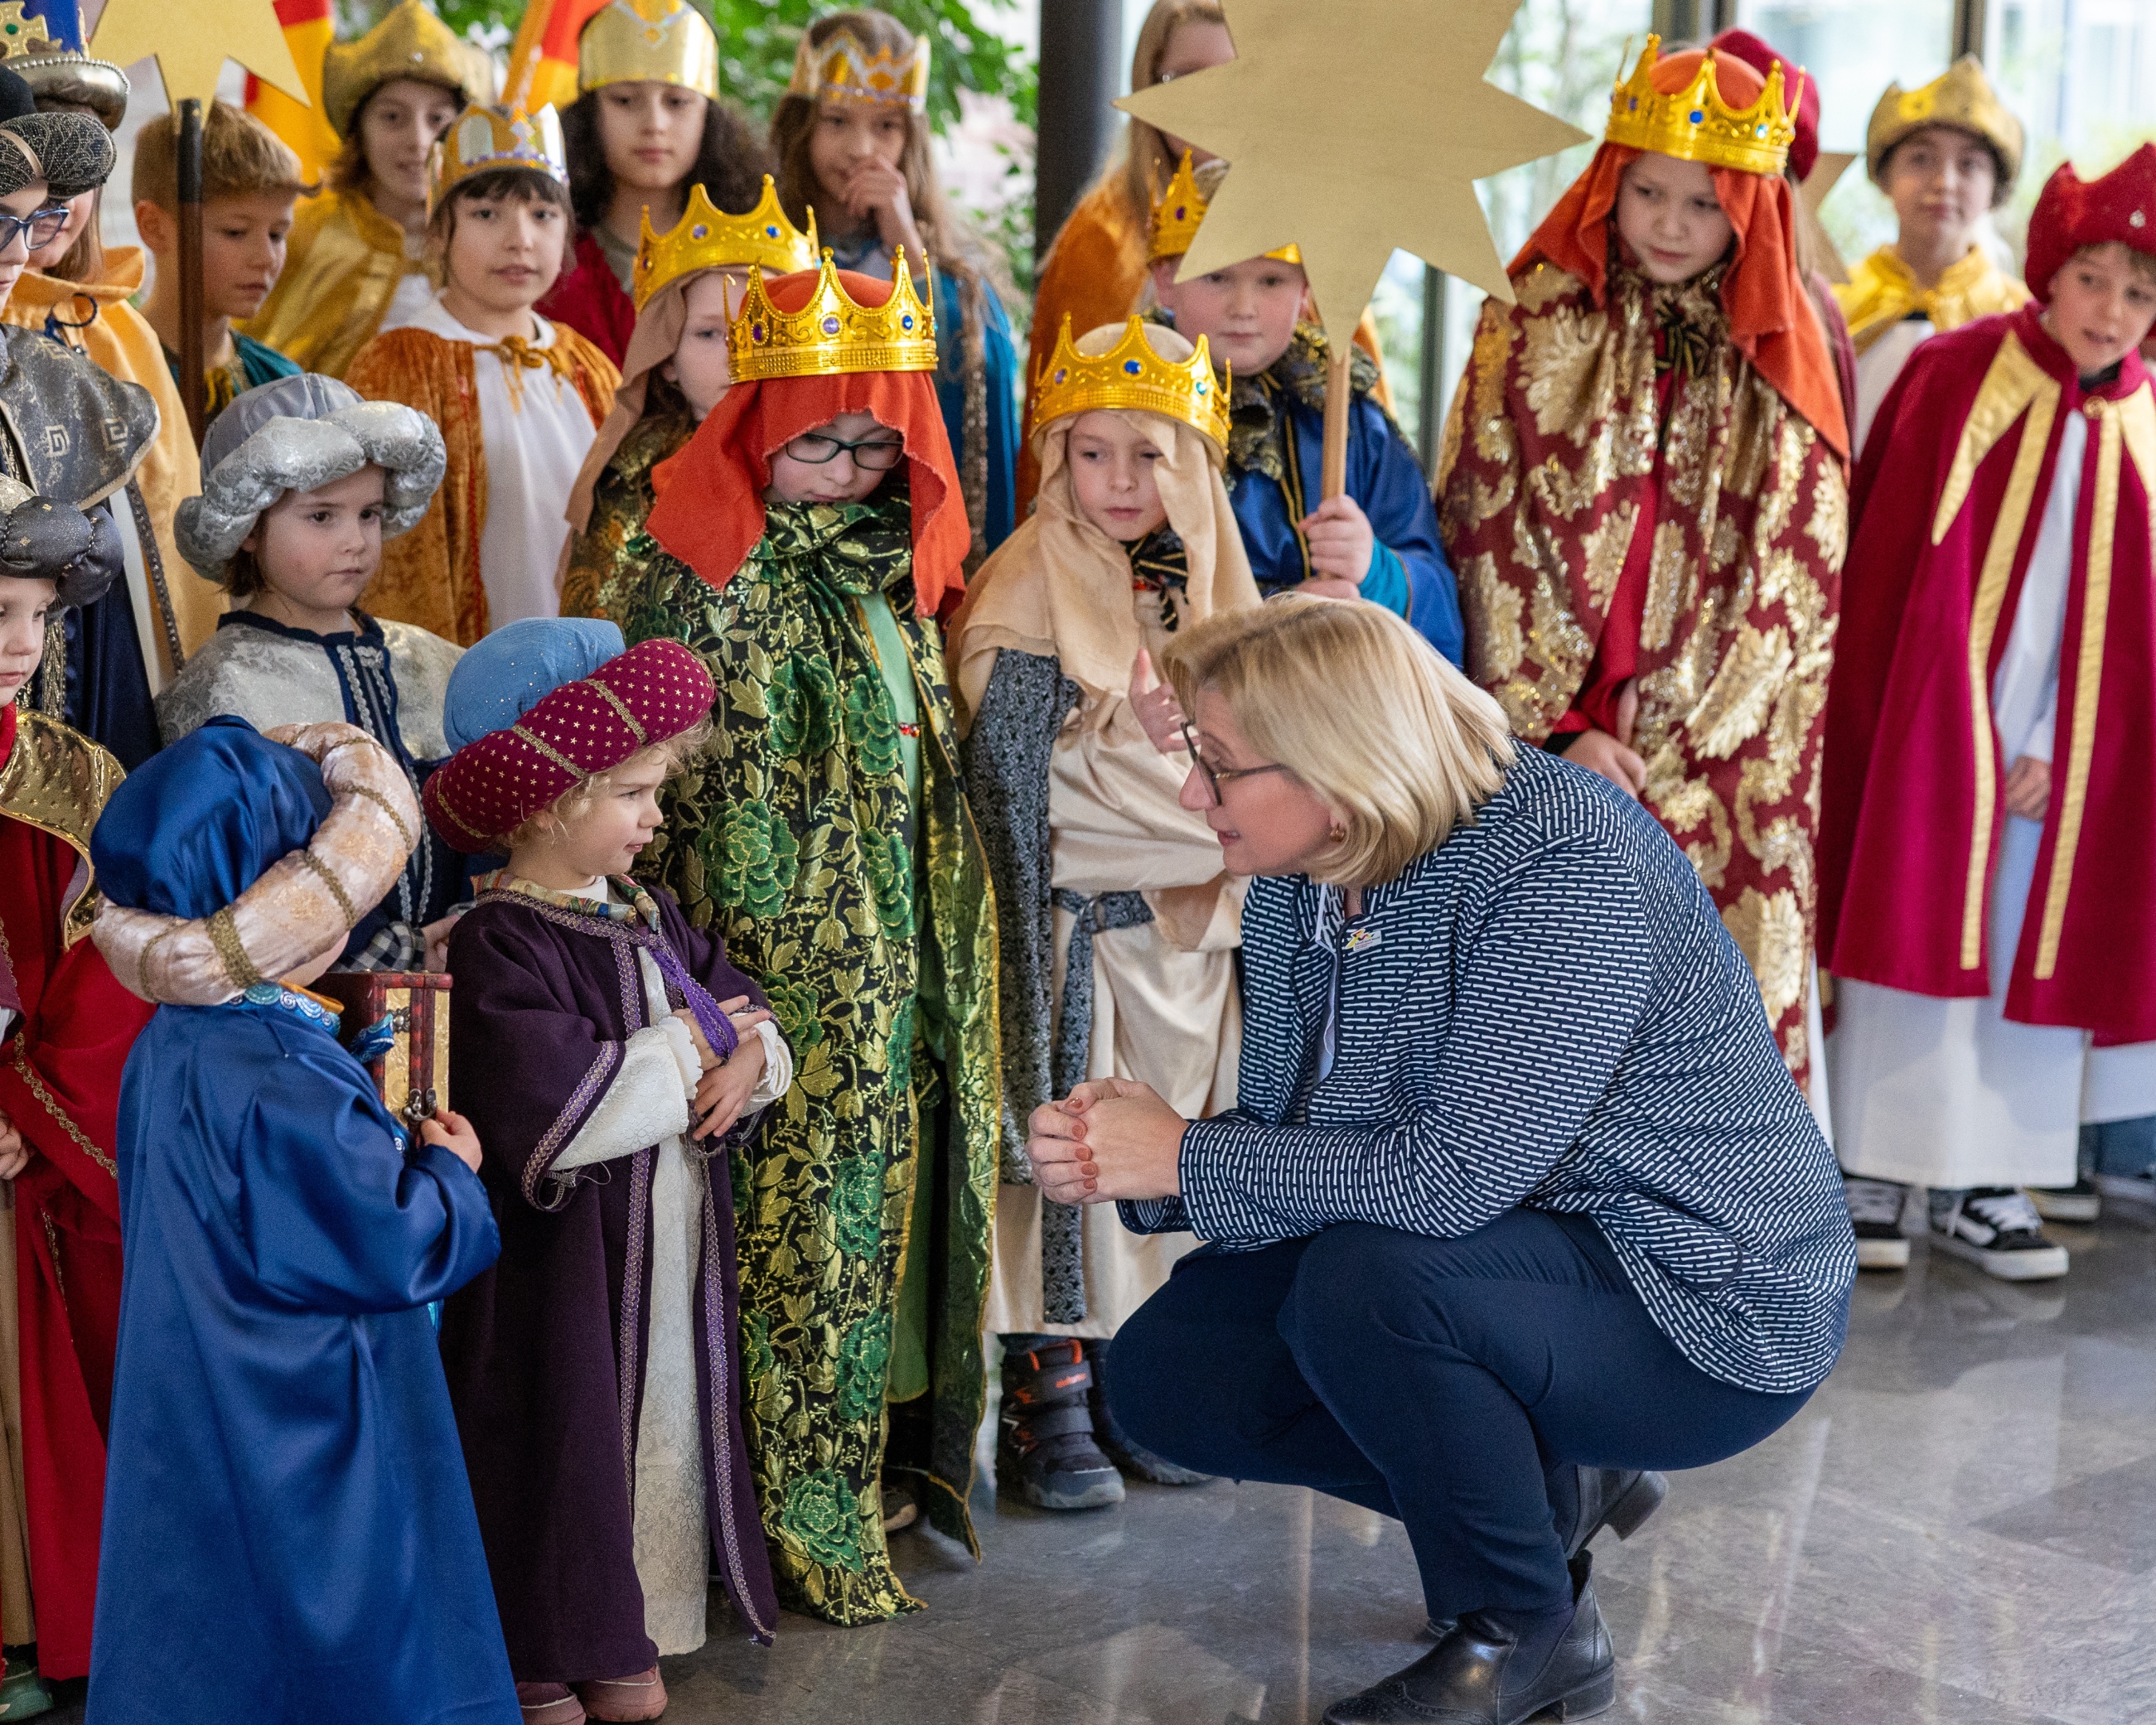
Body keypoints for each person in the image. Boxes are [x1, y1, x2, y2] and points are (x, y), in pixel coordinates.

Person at [1028, 597, 1854, 1725]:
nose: (1189, 796)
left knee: (1368, 1288)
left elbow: (1445, 1179)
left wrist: (1183, 1152)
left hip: (1702, 1298)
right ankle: (1548, 1499)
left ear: (1336, 761)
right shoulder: (1304, 867)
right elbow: (1308, 1133)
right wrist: (1152, 1160)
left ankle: (1521, 1630)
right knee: (1176, 1373)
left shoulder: (1564, 860)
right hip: (1512, 1256)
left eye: (1215, 768)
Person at [613, 253, 1000, 1623]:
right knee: (782, 1231)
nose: (849, 469)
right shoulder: (685, 570)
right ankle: (772, 1507)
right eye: (819, 440)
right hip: (768, 972)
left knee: (889, 1217)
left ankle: (881, 1462)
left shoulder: (890, 574)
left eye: (876, 443)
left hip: (906, 955)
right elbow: (693, 811)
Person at [85, 717, 515, 1725]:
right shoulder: (282, 1073)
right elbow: (391, 1240)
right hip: (308, 1405)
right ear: (281, 894)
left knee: (219, 1619)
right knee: (339, 1623)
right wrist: (451, 1176)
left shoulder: (176, 1040)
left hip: (205, 1385)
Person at [1441, 37, 1849, 1089]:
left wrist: (1681, 752)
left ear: (1751, 211)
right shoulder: (1532, 314)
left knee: (1695, 1016)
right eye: (1648, 191)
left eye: (1703, 203)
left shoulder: (1785, 356)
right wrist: (1557, 730)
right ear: (1606, 187)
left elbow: (1792, 588)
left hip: (1715, 749)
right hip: (1551, 733)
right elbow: (1490, 528)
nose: (1670, 223)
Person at [425, 623, 783, 1725]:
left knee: (650, 1426)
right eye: (633, 791)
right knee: (556, 1437)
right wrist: (695, 1045)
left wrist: (754, 1054)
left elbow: (736, 999)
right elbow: (550, 1103)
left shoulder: (648, 915)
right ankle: (540, 1646)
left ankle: (631, 1626)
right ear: (546, 803)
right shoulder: (499, 942)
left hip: (661, 1244)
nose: (657, 816)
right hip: (555, 1268)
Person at [1817, 147, 2156, 1279]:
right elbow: (1888, 569)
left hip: (2057, 748)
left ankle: (1983, 1178)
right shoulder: (1957, 371)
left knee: (2025, 934)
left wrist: (2065, 745)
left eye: (2140, 293)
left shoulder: (2145, 421)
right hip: (1938, 718)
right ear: (2049, 275)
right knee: (1911, 904)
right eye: (2094, 280)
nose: (2111, 312)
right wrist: (1956, 727)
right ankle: (1868, 1160)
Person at [949, 315, 1257, 1511]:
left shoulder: (1222, 587)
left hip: (1193, 950)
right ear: (1055, 460)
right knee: (1073, 1158)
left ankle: (1144, 1386)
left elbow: (1285, 766)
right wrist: (1202, 813)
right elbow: (1027, 792)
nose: (1120, 484)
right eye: (1092, 454)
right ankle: (1048, 1386)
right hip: (1078, 935)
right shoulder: (1026, 588)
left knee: (1172, 1166)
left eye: (1150, 455)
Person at [1018, 0, 1390, 521]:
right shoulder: (1101, 238)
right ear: (1152, 85)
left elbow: (1359, 403)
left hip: (1292, 525)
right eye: (1187, 78)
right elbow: (1055, 430)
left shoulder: (1305, 219)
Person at [154, 374, 468, 974]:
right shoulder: (223, 687)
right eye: (322, 517)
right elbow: (238, 876)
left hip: (459, 984)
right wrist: (392, 951)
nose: (355, 541)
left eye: (369, 514)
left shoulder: (432, 660)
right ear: (248, 528)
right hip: (311, 1000)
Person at [0, 482, 153, 1705]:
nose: (15, 641)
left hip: (36, 1128)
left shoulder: (77, 772)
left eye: (37, 617)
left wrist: (28, 1108)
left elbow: (108, 968)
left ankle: (48, 1618)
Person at [1147, 153, 1463, 661]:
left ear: (1308, 289)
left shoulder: (1351, 419)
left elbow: (1440, 599)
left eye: (1271, 281)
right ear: (1166, 279)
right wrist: (1279, 617)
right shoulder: (1133, 407)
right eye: (1216, 277)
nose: (1243, 306)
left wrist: (1373, 569)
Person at [347, 102, 618, 645]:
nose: (520, 239)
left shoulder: (588, 366)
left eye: (543, 215)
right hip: (464, 668)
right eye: (487, 214)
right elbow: (398, 561)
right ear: (439, 230)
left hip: (589, 662)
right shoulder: (397, 368)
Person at [771, 9, 1020, 565]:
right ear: (802, 127)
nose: (863, 149)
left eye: (886, 126)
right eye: (838, 121)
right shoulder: (767, 248)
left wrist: (904, 239)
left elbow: (977, 363)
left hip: (908, 528)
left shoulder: (945, 266)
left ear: (911, 139)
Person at [8, 21, 214, 678]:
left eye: (77, 182)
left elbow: (172, 528)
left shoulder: (121, 335)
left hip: (108, 657)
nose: (62, 208)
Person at [558, 173, 817, 621]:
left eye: (758, 327)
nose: (739, 352)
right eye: (710, 332)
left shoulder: (831, 456)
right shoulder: (634, 477)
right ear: (667, 358)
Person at [0, 62, 163, 771]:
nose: (19, 251)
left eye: (32, 221)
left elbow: (103, 683)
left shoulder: (60, 383)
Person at [241, 0, 494, 379]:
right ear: (359, 131)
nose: (419, 141)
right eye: (392, 117)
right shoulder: (304, 236)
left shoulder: (487, 239)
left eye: (438, 119)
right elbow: (254, 376)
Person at [537, 0, 772, 367]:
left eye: (677, 102)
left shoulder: (751, 259)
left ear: (707, 117)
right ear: (590, 114)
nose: (654, 123)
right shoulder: (544, 256)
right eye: (625, 100)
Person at [1834, 58, 2027, 453]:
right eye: (1920, 159)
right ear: (1885, 176)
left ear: (1996, 189)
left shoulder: (2019, 318)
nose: (1944, 183)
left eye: (1970, 165)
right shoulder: (1834, 302)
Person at [132, 101, 309, 422]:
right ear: (154, 227)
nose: (266, 259)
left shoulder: (282, 384)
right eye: (236, 232)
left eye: (277, 235)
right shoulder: (117, 370)